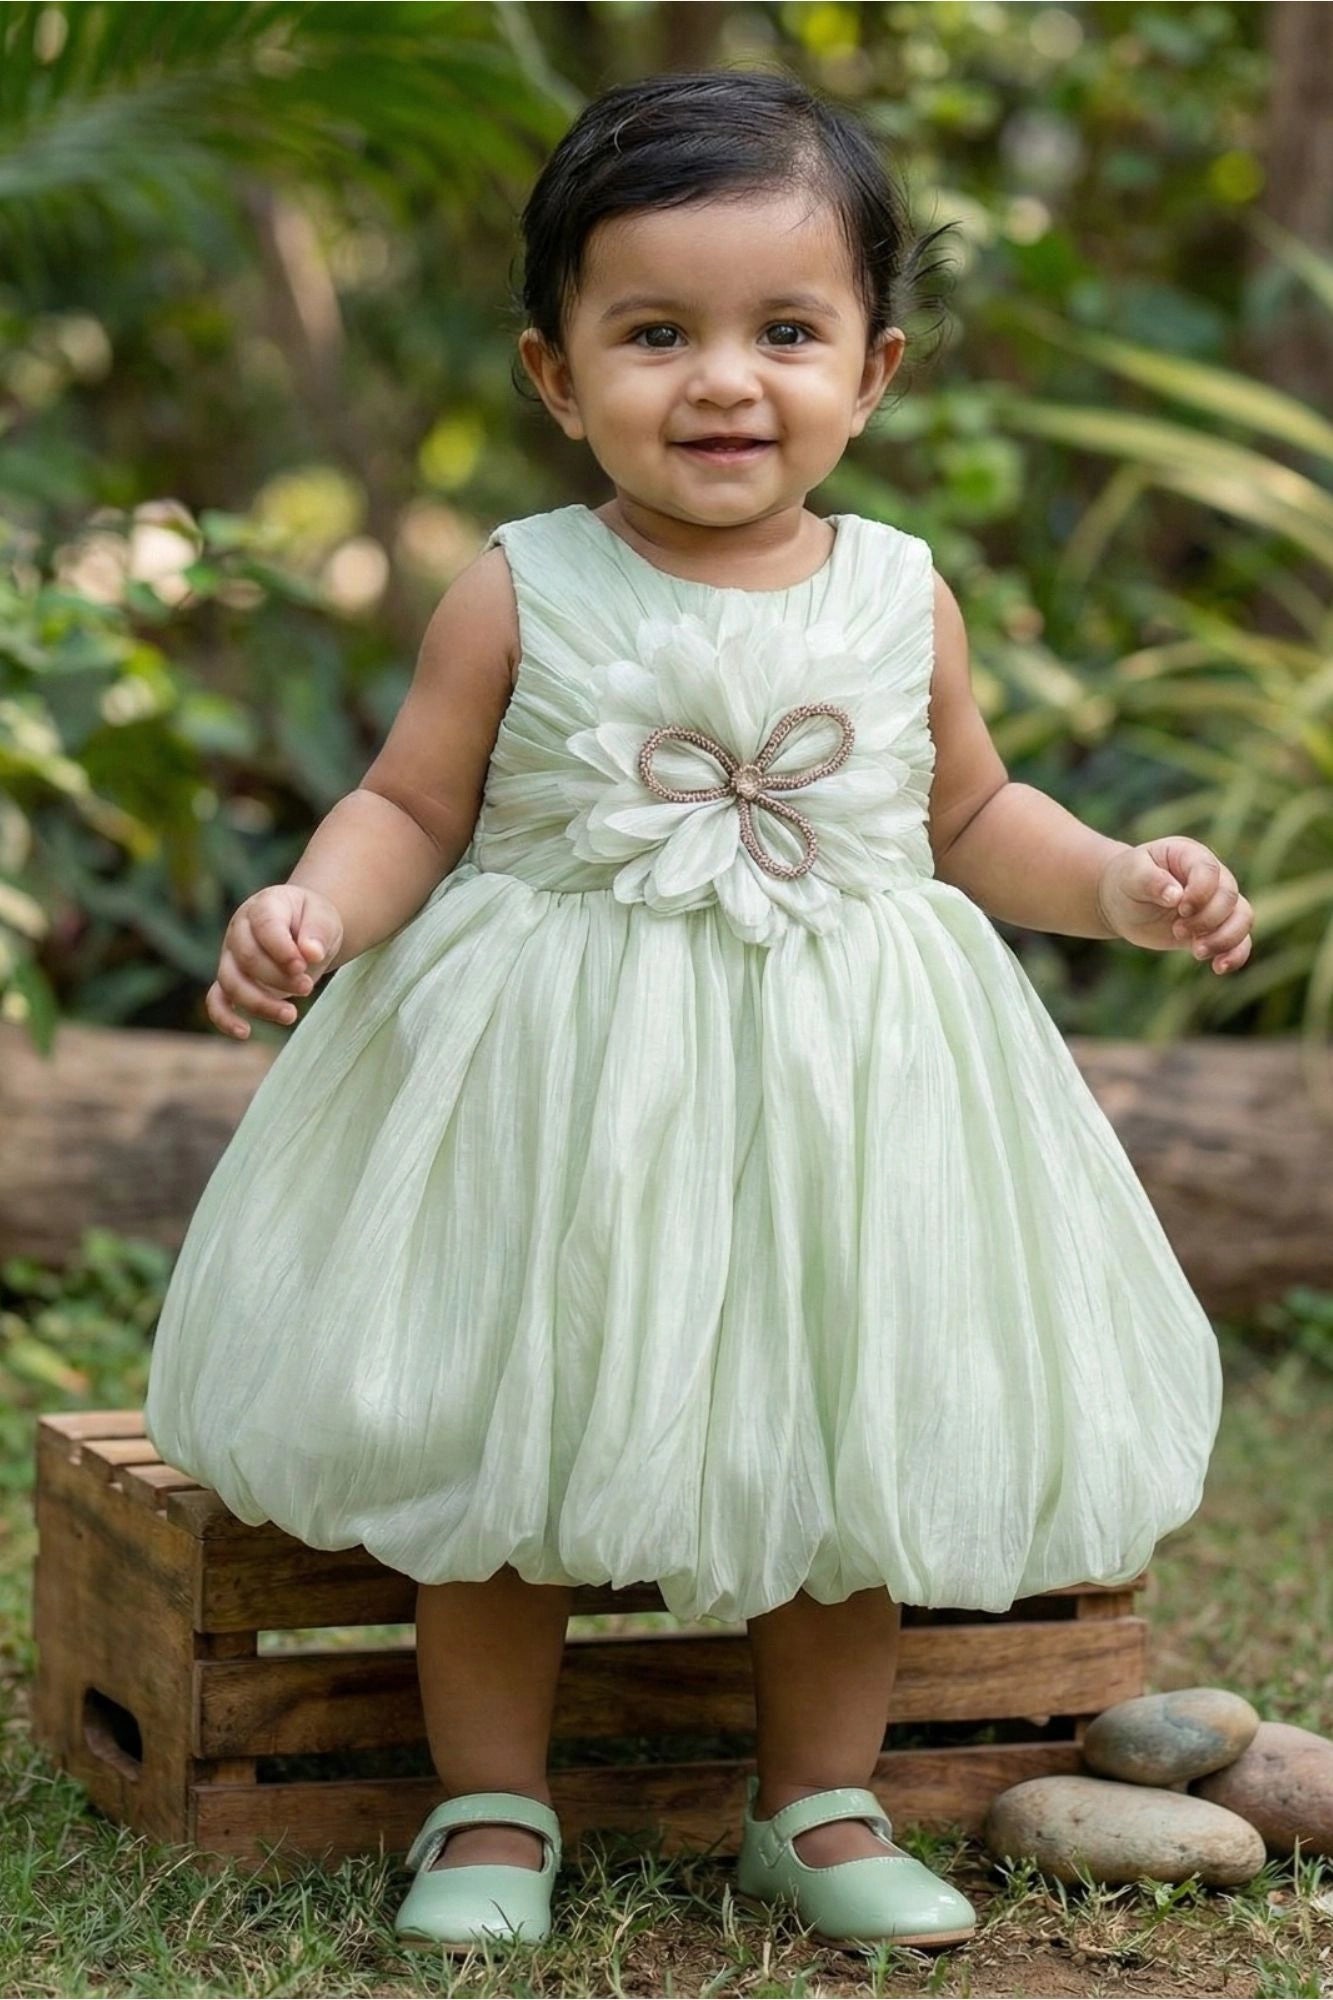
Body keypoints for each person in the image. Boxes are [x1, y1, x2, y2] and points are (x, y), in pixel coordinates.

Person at [143, 65, 1248, 1958]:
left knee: (835, 1435)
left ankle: (816, 1802)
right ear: (556, 374)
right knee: (515, 1434)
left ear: (872, 372)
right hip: (561, 1091)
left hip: (842, 1097)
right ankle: (493, 1802)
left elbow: (970, 815)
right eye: (656, 333)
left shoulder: (899, 596)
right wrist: (318, 905)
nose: (723, 381)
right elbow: (409, 805)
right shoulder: (521, 588)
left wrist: (1117, 885)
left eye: (784, 333)